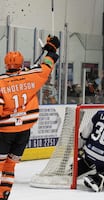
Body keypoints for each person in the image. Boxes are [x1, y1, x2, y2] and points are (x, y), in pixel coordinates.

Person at [0, 35, 60, 200]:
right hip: (23, 131)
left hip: (5, 133)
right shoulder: (33, 75)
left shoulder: (1, 82)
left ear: (6, 64)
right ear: (21, 64)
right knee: (10, 165)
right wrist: (52, 49)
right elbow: (48, 63)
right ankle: (3, 194)